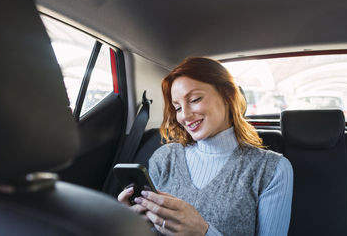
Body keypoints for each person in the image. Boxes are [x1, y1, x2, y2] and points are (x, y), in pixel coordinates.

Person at [118, 57, 293, 236]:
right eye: (177, 108)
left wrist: (203, 232)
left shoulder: (272, 169)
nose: (184, 115)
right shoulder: (163, 158)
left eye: (194, 99)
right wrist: (132, 226)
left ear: (227, 95)